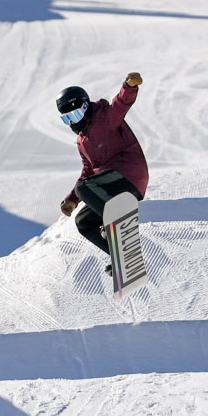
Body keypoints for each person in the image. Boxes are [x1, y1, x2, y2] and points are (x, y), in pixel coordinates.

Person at [58, 73, 149, 274]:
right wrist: (71, 200)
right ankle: (122, 259)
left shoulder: (104, 117)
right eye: (67, 120)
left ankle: (118, 226)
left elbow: (121, 104)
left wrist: (129, 86)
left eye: (75, 116)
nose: (73, 123)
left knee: (85, 188)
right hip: (110, 184)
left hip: (128, 174)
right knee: (83, 222)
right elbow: (87, 171)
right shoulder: (83, 141)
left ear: (85, 107)